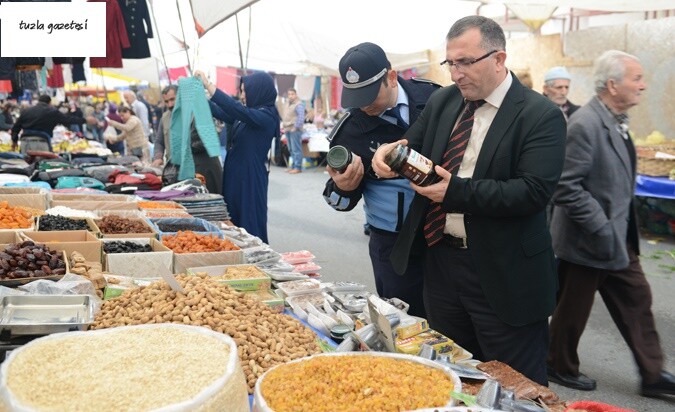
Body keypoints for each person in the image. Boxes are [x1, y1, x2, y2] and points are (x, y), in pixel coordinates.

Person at [371, 16, 566, 385]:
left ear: (498, 58)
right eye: (451, 63)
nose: (457, 73)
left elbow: (533, 191)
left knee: (515, 387)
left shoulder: (540, 115)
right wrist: (387, 152)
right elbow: (409, 146)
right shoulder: (445, 100)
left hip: (504, 272)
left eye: (466, 62)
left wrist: (455, 192)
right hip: (442, 264)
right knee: (454, 376)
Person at [547, 50, 675, 397]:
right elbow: (565, 187)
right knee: (572, 310)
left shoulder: (614, 119)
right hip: (587, 239)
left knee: (637, 299)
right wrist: (601, 226)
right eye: (636, 78)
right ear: (613, 85)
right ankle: (559, 366)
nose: (643, 85)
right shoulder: (585, 123)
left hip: (618, 237)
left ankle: (652, 375)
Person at [322, 42, 440, 318]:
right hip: (394, 244)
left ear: (391, 76)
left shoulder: (434, 98)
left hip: (445, 237)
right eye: (356, 97)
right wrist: (343, 187)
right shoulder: (349, 130)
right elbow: (338, 199)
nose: (363, 105)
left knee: (451, 325)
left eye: (369, 94)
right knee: (403, 322)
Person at [194, 70, 280, 244]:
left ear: (258, 90)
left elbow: (234, 108)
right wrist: (197, 93)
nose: (241, 96)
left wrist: (209, 85)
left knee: (249, 220)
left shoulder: (266, 116)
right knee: (233, 218)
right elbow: (221, 110)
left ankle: (255, 260)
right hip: (235, 175)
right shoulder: (248, 114)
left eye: (244, 91)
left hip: (250, 177)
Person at [10, 94, 85, 153]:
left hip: (25, 142)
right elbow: (68, 120)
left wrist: (14, 141)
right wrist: (84, 120)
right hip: (42, 142)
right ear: (49, 102)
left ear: (39, 101)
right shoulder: (52, 112)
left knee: (26, 167)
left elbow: (16, 127)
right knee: (42, 165)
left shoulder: (26, 111)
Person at [152, 85, 177, 167]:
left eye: (172, 99)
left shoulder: (192, 114)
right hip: (173, 166)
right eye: (166, 101)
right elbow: (159, 141)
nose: (170, 105)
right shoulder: (164, 118)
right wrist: (158, 157)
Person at [281, 88, 305, 174]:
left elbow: (301, 117)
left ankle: (298, 167)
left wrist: (295, 127)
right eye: (289, 94)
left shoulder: (299, 104)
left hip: (295, 129)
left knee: (296, 149)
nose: (290, 96)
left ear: (296, 95)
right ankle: (293, 166)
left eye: (292, 94)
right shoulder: (287, 103)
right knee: (291, 149)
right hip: (287, 129)